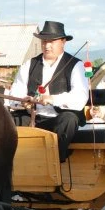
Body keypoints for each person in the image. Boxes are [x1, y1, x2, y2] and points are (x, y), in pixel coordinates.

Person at [8, 20, 89, 161]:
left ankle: (55, 163)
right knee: (5, 121)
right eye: (44, 41)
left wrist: (52, 99)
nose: (47, 45)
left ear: (63, 42)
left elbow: (80, 97)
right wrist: (23, 102)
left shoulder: (76, 65)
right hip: (33, 117)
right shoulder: (29, 65)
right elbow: (14, 95)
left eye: (52, 41)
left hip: (58, 120)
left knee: (69, 119)